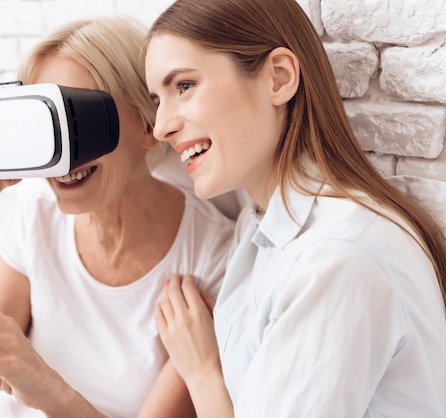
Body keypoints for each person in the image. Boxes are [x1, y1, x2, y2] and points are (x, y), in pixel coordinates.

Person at [0, 16, 236, 418]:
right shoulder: (37, 219)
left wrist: (45, 388)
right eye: (47, 124)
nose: (63, 159)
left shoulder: (212, 258)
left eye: (78, 119)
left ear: (149, 124)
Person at [144, 0, 446, 417]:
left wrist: (203, 373)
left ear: (278, 78)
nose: (162, 126)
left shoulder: (338, 259)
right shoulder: (261, 225)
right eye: (157, 99)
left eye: (184, 86)